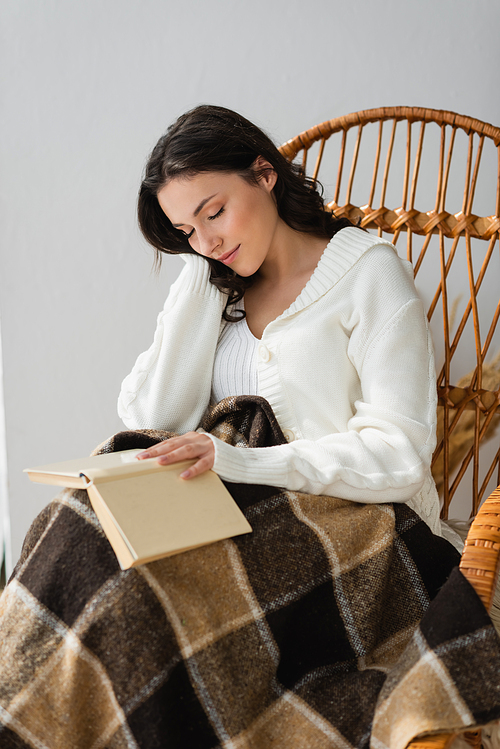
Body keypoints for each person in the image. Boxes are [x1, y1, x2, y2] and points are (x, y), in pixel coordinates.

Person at [117, 104, 443, 537]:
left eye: (214, 213)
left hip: (366, 530)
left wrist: (241, 462)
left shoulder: (370, 274)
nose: (207, 242)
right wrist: (199, 267)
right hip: (240, 523)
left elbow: (399, 454)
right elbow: (155, 421)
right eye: (185, 230)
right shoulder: (216, 286)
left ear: (265, 174)